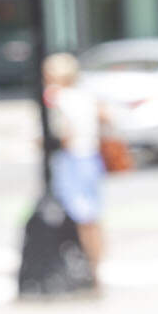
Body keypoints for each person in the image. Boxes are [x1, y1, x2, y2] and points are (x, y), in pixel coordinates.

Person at [41, 50, 108, 289]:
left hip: (73, 161)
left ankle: (90, 271)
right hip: (91, 157)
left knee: (80, 216)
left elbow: (63, 134)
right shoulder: (85, 95)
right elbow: (105, 117)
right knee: (92, 217)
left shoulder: (59, 98)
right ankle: (96, 267)